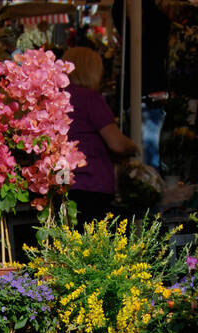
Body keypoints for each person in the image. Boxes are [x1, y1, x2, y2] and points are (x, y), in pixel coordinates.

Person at [63, 46, 139, 225]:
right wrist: (134, 147)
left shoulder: (57, 98)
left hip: (63, 182)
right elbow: (117, 143)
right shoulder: (90, 98)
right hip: (92, 184)